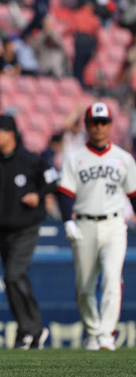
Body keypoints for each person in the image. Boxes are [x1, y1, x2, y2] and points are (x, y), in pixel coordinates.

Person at [0, 115, 57, 350]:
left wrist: (38, 195)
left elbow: (52, 180)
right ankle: (31, 331)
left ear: (9, 133)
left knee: (11, 276)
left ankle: (29, 330)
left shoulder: (30, 160)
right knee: (15, 280)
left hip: (26, 226)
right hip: (2, 227)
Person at [56, 102, 136, 351]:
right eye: (94, 122)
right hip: (84, 224)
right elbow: (65, 193)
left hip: (114, 223)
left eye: (103, 122)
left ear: (110, 125)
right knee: (85, 284)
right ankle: (92, 333)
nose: (99, 127)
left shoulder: (123, 158)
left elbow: (133, 194)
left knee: (112, 280)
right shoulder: (75, 157)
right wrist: (68, 221)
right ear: (87, 125)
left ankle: (106, 336)